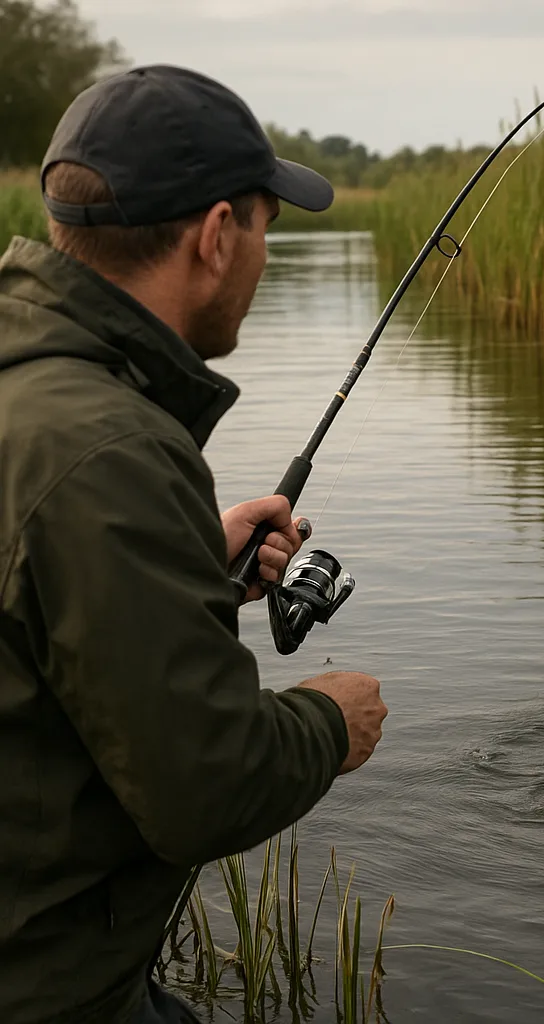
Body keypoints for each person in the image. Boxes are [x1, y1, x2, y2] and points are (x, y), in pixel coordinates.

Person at [0, 65, 389, 1024]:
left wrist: (187, 562)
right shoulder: (113, 450)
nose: (262, 254)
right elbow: (203, 787)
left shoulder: (37, 390)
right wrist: (331, 723)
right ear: (217, 236)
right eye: (264, 225)